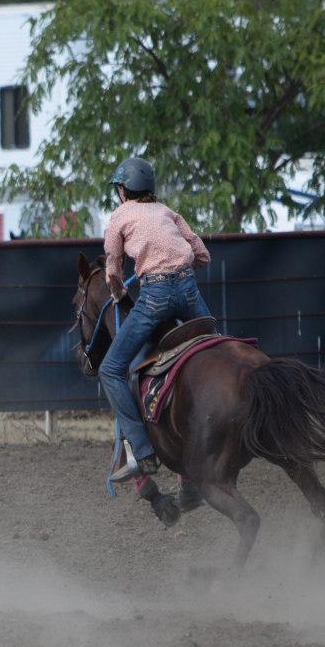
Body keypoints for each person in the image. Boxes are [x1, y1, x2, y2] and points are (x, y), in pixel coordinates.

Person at [100, 156, 212, 482]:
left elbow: (112, 269)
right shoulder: (168, 212)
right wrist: (179, 266)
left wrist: (118, 292)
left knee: (110, 369)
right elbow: (202, 254)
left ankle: (143, 452)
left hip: (154, 296)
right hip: (189, 292)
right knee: (216, 346)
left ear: (123, 190)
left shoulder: (120, 216)